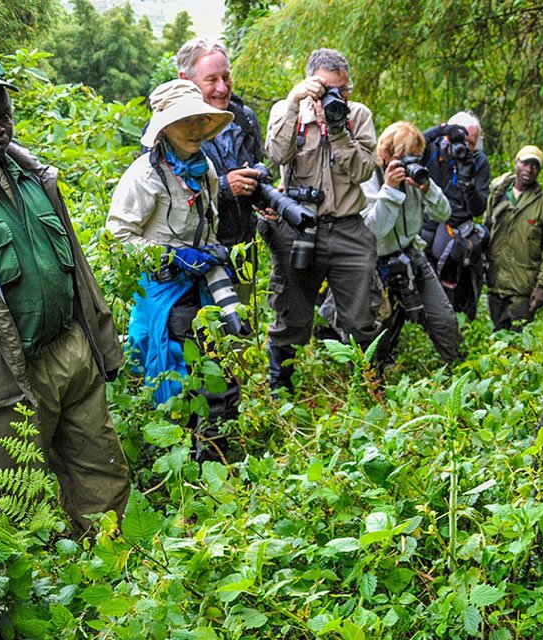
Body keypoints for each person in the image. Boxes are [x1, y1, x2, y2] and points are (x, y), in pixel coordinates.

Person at [0, 61, 129, 534]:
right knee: (14, 502)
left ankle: (111, 577)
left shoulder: (33, 179)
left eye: (3, 114)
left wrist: (103, 344)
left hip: (71, 349)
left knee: (102, 474)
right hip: (8, 375)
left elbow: (79, 272)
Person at [107, 79, 240, 462]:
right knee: (173, 372)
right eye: (187, 122)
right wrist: (170, 255)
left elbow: (207, 221)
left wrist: (210, 252)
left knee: (220, 365)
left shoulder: (205, 169)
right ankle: (176, 459)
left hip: (202, 285)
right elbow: (117, 236)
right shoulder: (144, 176)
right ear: (165, 128)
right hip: (163, 289)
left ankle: (215, 456)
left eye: (201, 121)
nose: (196, 130)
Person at [262, 48, 379, 391]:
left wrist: (339, 129)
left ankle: (367, 385)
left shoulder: (358, 116)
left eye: (342, 89)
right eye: (327, 88)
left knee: (361, 317)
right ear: (310, 83)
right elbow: (277, 154)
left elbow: (362, 170)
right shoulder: (289, 112)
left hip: (348, 226)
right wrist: (294, 101)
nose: (336, 96)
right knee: (292, 315)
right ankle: (280, 390)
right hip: (301, 225)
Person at [360, 121, 462, 365]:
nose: (410, 165)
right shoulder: (367, 177)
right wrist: (391, 190)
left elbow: (443, 214)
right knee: (378, 326)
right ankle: (374, 379)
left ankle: (457, 368)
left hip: (411, 255)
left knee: (444, 318)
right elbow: (375, 229)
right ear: (386, 155)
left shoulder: (415, 176)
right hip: (376, 262)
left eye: (415, 158)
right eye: (405, 158)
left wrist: (427, 189)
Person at [175, 38, 265, 300]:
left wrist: (260, 193)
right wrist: (225, 186)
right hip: (193, 258)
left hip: (242, 252)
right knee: (199, 334)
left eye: (226, 76)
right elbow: (169, 198)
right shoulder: (169, 128)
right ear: (185, 79)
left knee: (240, 331)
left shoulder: (244, 118)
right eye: (211, 80)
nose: (222, 88)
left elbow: (255, 163)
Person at [420, 111, 491, 320]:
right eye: (461, 140)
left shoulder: (478, 161)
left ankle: (457, 317)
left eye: (471, 142)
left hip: (457, 229)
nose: (465, 147)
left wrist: (468, 183)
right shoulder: (433, 150)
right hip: (426, 223)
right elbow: (405, 148)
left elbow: (478, 208)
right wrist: (440, 131)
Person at [483, 145, 543, 331]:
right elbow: (486, 228)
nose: (529, 169)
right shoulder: (498, 192)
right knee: (498, 337)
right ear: (516, 163)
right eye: (525, 163)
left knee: (519, 342)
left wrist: (541, 286)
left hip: (523, 287)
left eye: (534, 166)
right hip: (496, 282)